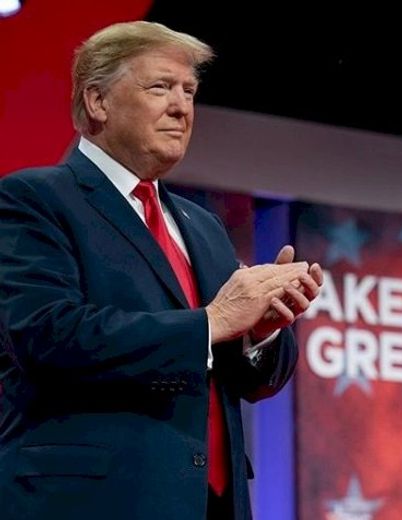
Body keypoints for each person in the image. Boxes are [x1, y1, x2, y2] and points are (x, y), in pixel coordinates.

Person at [0, 21, 323, 520]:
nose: (181, 107)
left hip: (211, 504)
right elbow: (47, 335)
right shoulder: (34, 199)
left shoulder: (202, 225)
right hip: (94, 502)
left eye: (189, 91)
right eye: (160, 87)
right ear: (97, 101)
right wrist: (213, 321)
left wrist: (258, 333)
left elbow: (250, 383)